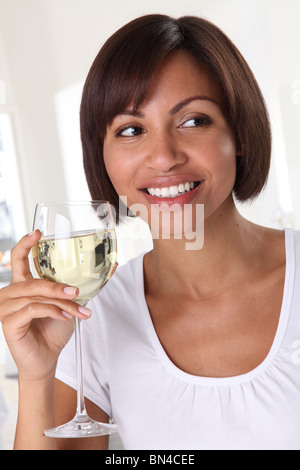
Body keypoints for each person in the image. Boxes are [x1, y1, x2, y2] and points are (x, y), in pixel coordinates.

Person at [0, 13, 298, 450]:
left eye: (194, 121)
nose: (163, 157)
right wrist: (37, 376)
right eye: (131, 130)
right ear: (101, 156)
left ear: (240, 133)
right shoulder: (93, 317)